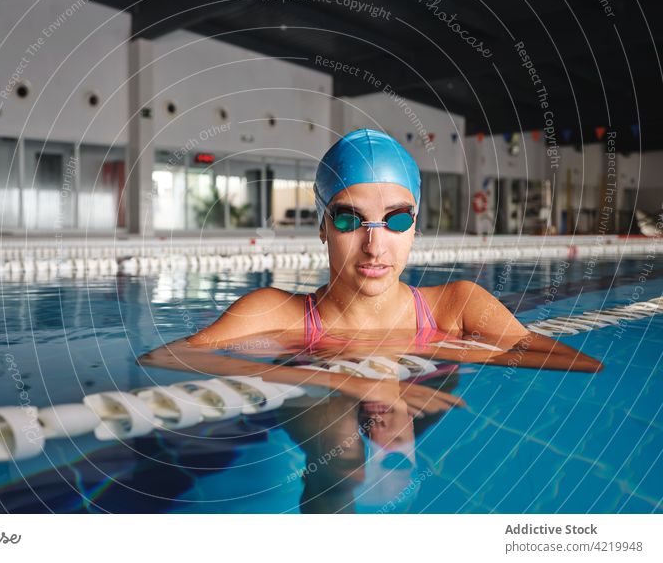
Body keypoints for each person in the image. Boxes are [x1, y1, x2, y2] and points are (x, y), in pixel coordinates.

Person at [140, 129, 602, 406]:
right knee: (337, 440)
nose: (374, 244)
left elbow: (582, 363)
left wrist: (456, 351)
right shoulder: (276, 311)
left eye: (396, 219)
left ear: (415, 227)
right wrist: (345, 382)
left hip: (422, 408)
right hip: (319, 410)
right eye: (348, 218)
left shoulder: (458, 306)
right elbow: (162, 357)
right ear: (323, 227)